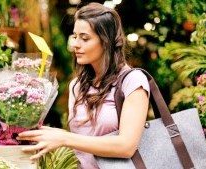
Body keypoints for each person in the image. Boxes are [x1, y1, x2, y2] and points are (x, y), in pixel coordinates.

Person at [17, 2, 150, 169]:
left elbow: (126, 146)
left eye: (85, 38)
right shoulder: (77, 86)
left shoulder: (133, 82)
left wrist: (64, 138)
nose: (75, 44)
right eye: (75, 36)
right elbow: (81, 147)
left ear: (106, 41)